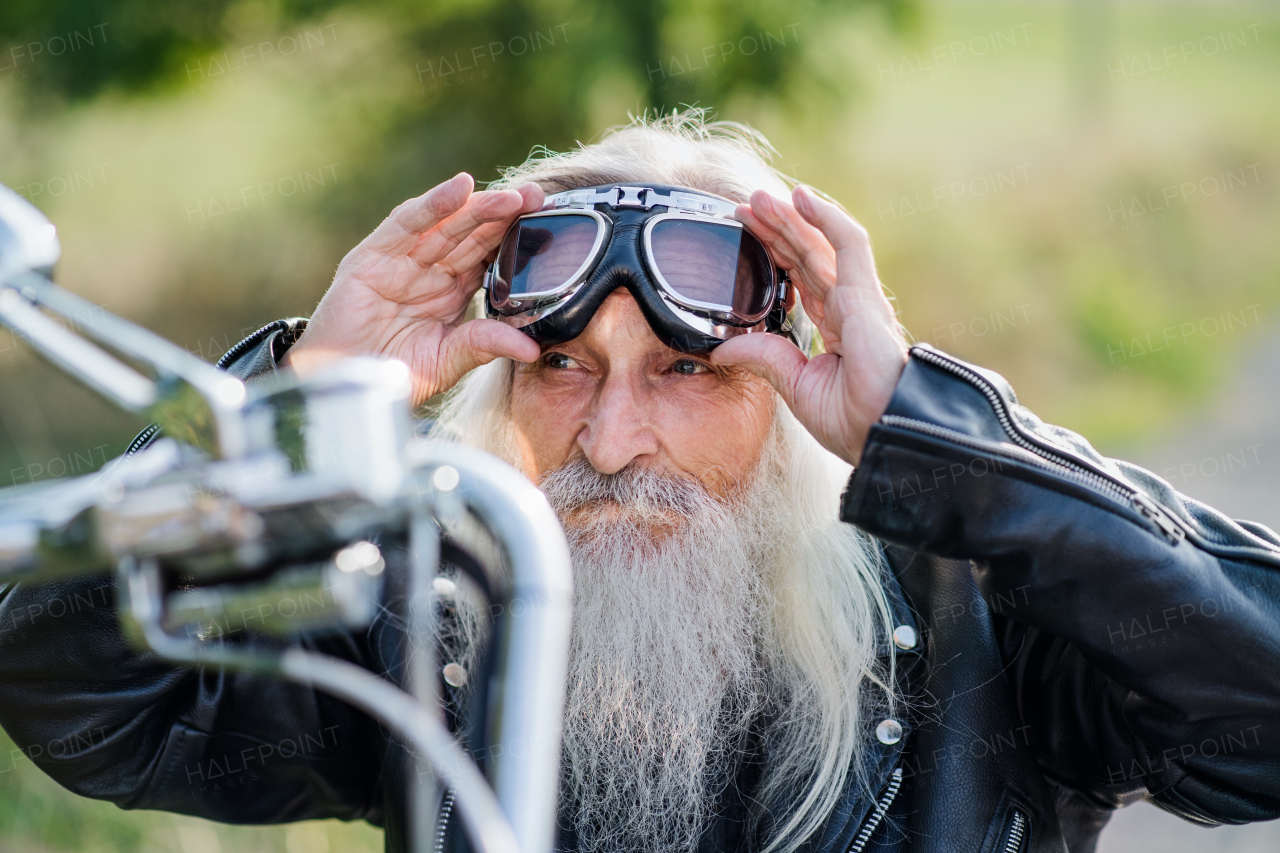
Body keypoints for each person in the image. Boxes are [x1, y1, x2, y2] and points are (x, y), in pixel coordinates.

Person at [1, 114, 1278, 853]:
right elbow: (81, 702)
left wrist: (936, 439)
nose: (612, 442)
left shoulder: (984, 617)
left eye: (683, 371)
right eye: (561, 365)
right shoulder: (430, 627)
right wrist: (298, 399)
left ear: (790, 396)